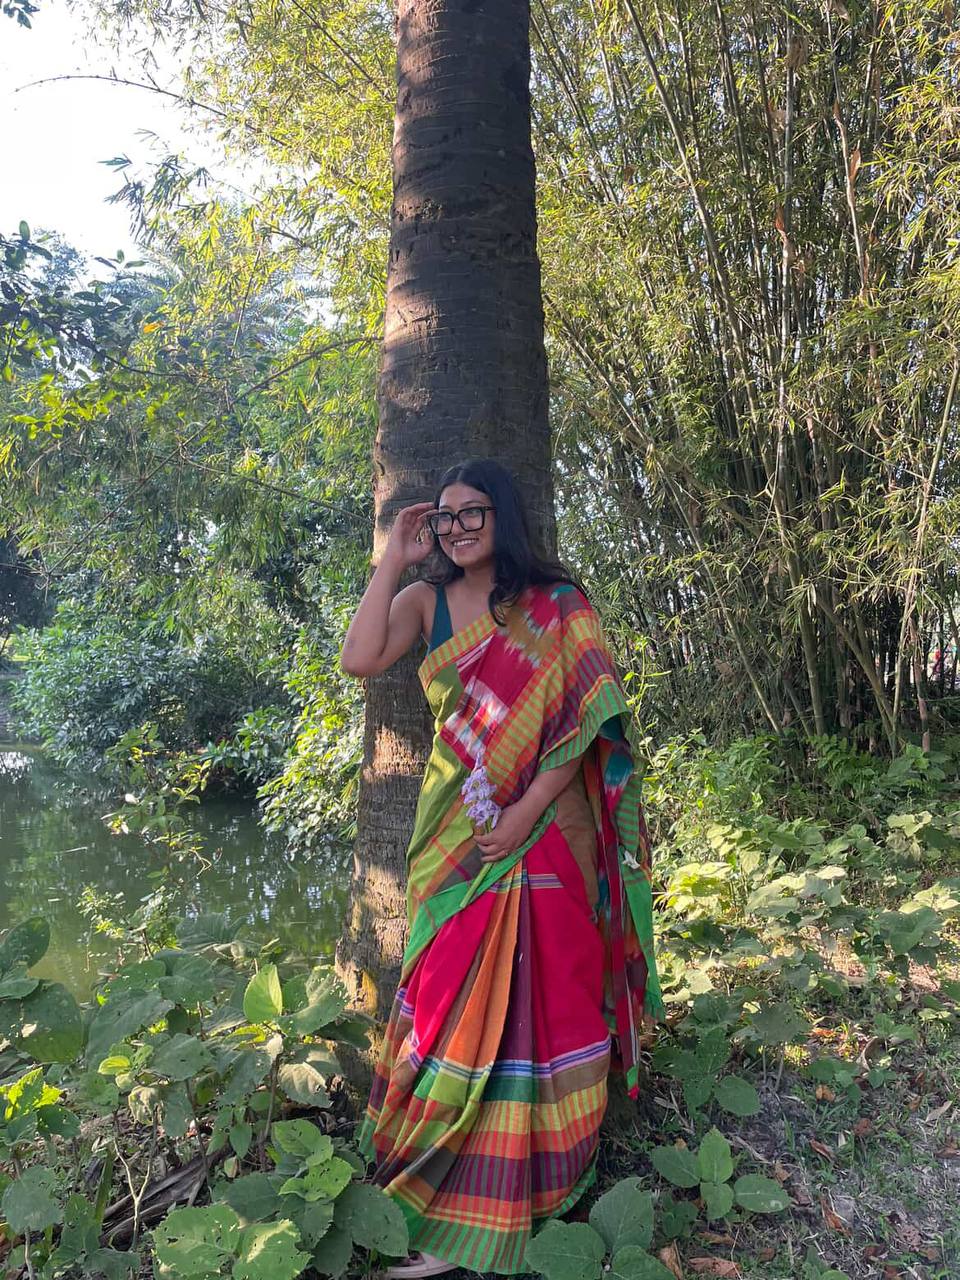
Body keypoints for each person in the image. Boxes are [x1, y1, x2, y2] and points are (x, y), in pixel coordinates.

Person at [340, 459, 663, 1278]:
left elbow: (586, 723)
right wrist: (394, 556)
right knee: (448, 997)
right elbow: (360, 657)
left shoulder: (557, 607)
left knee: (543, 992)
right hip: (453, 831)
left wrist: (525, 812)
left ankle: (525, 1186)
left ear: (502, 515)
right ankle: (440, 1186)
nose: (456, 528)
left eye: (471, 513)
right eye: (444, 518)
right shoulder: (426, 601)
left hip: (544, 826)